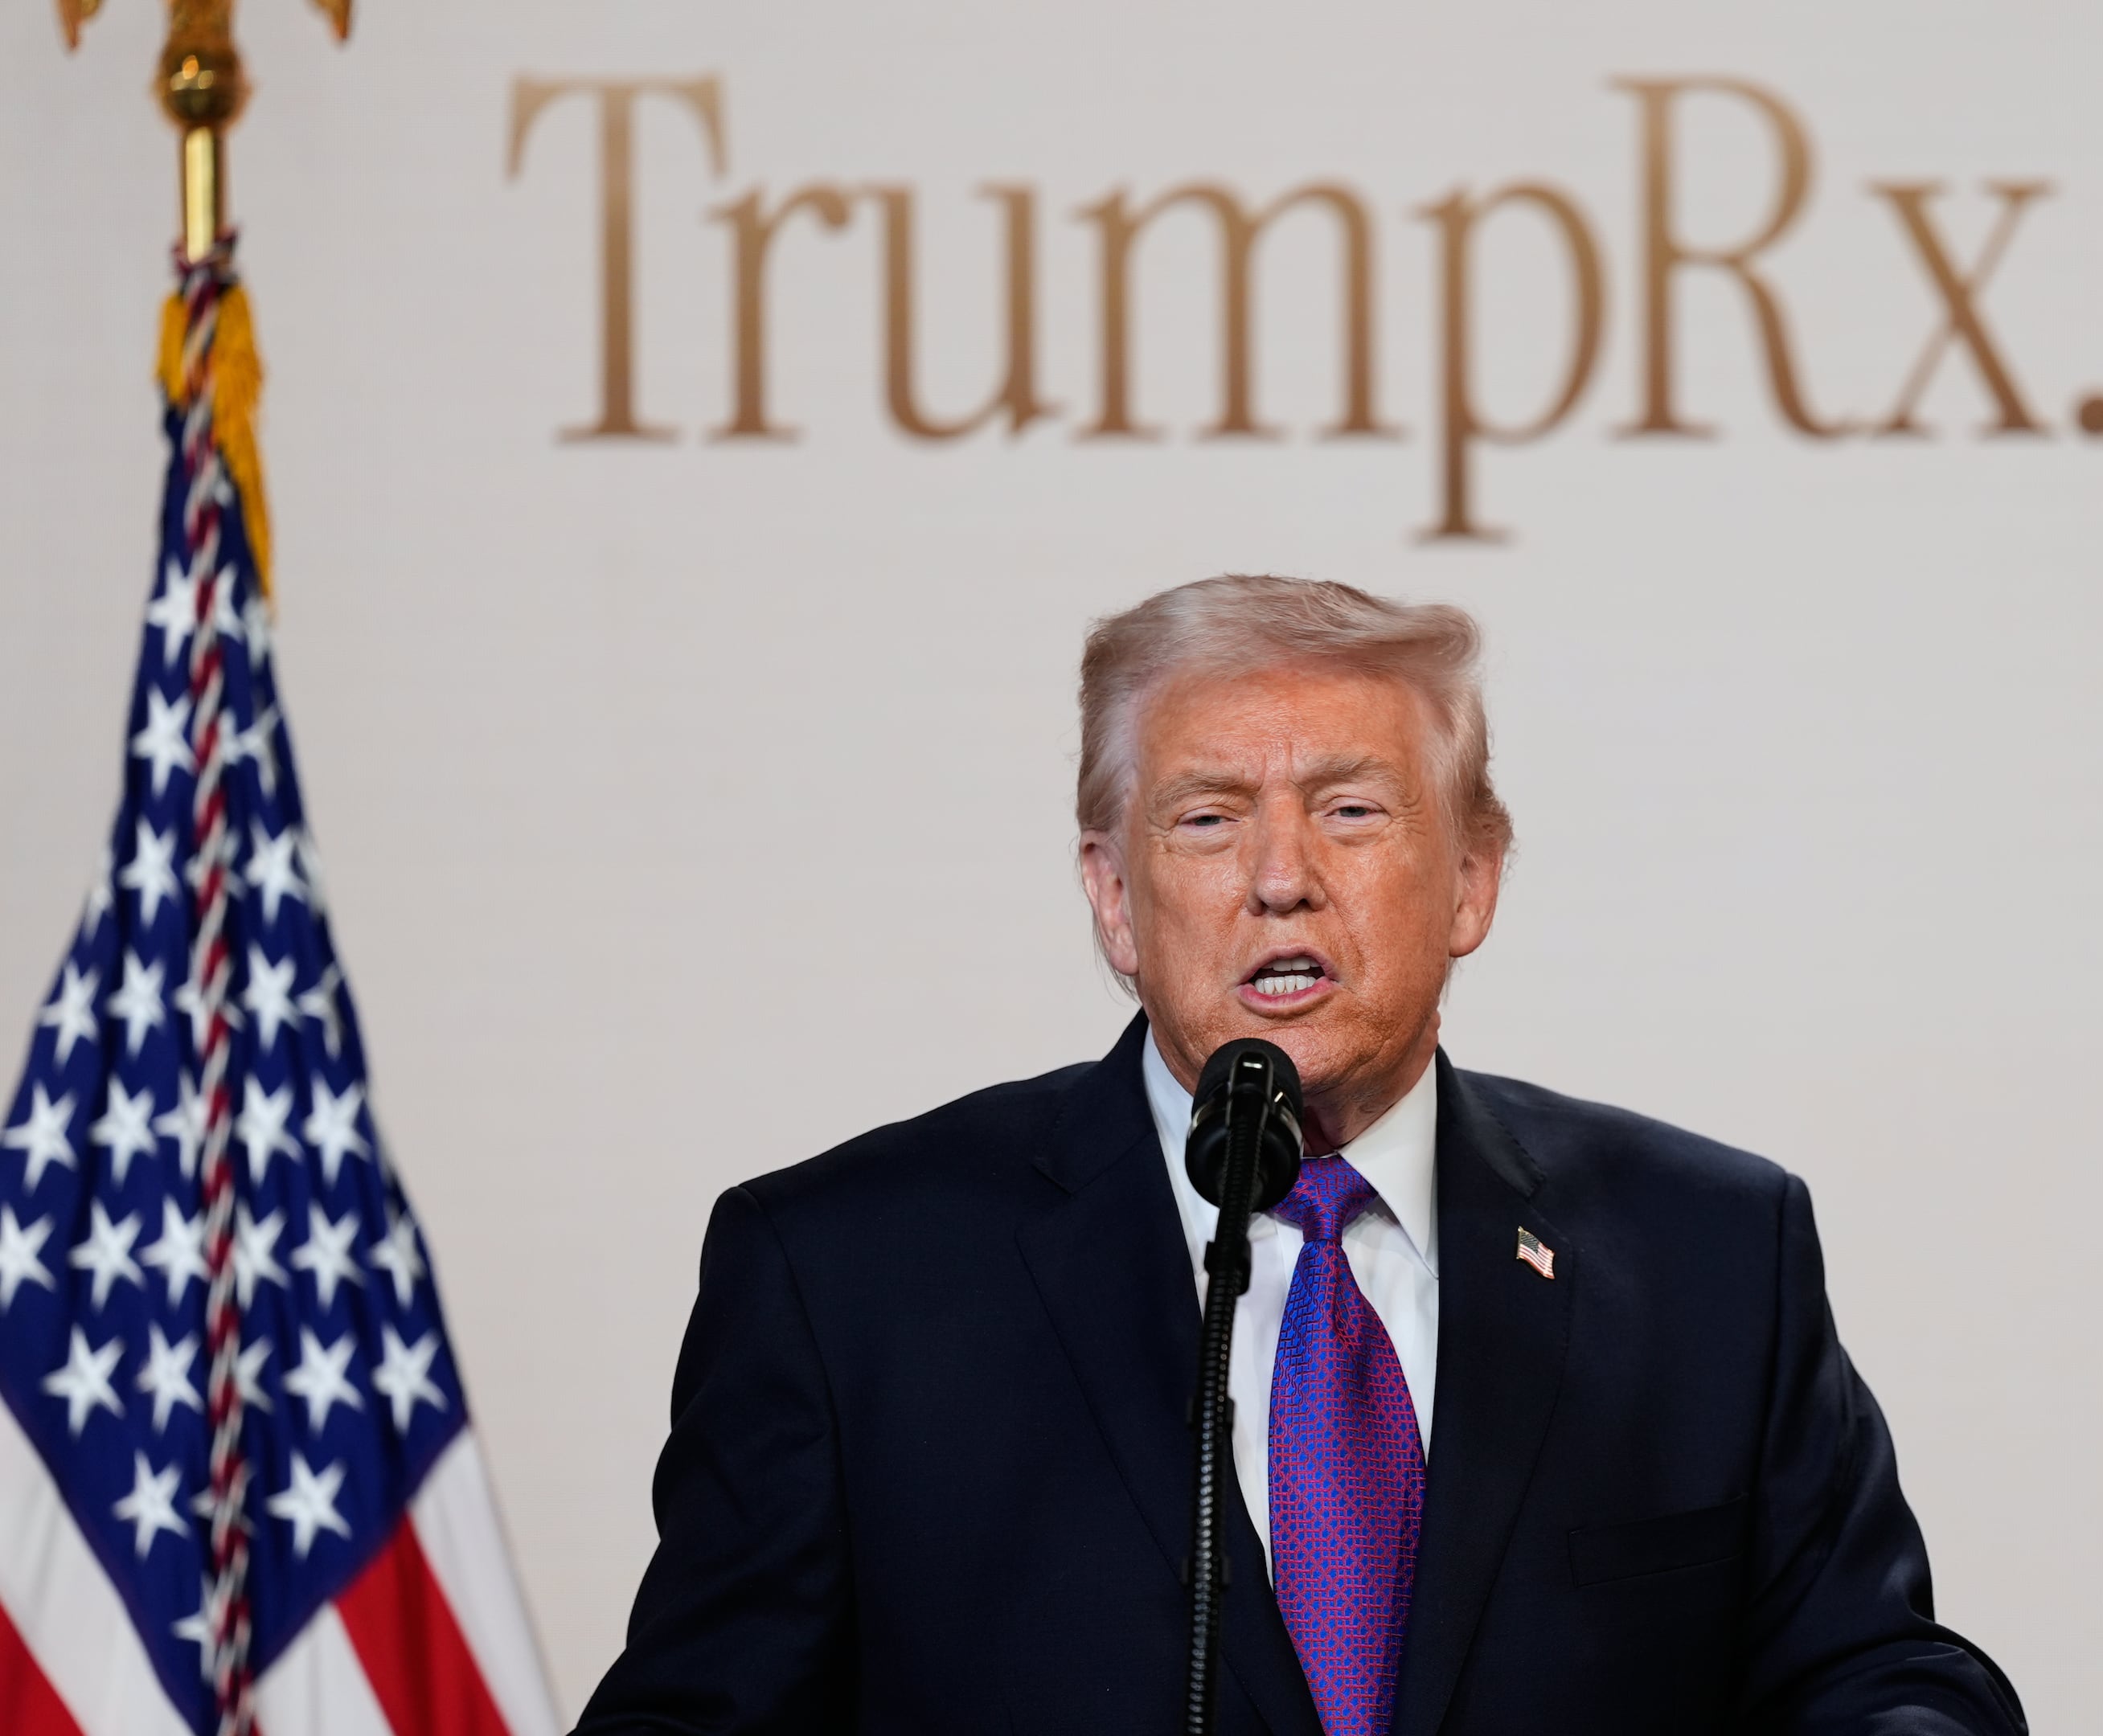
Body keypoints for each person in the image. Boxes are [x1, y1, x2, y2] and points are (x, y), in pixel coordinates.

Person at [574, 576, 2025, 1735]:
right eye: (1208, 819)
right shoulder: (847, 1278)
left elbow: (1876, 1672)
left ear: (1471, 879)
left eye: (1350, 811)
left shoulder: (1711, 1251)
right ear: (1115, 899)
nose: (1282, 879)